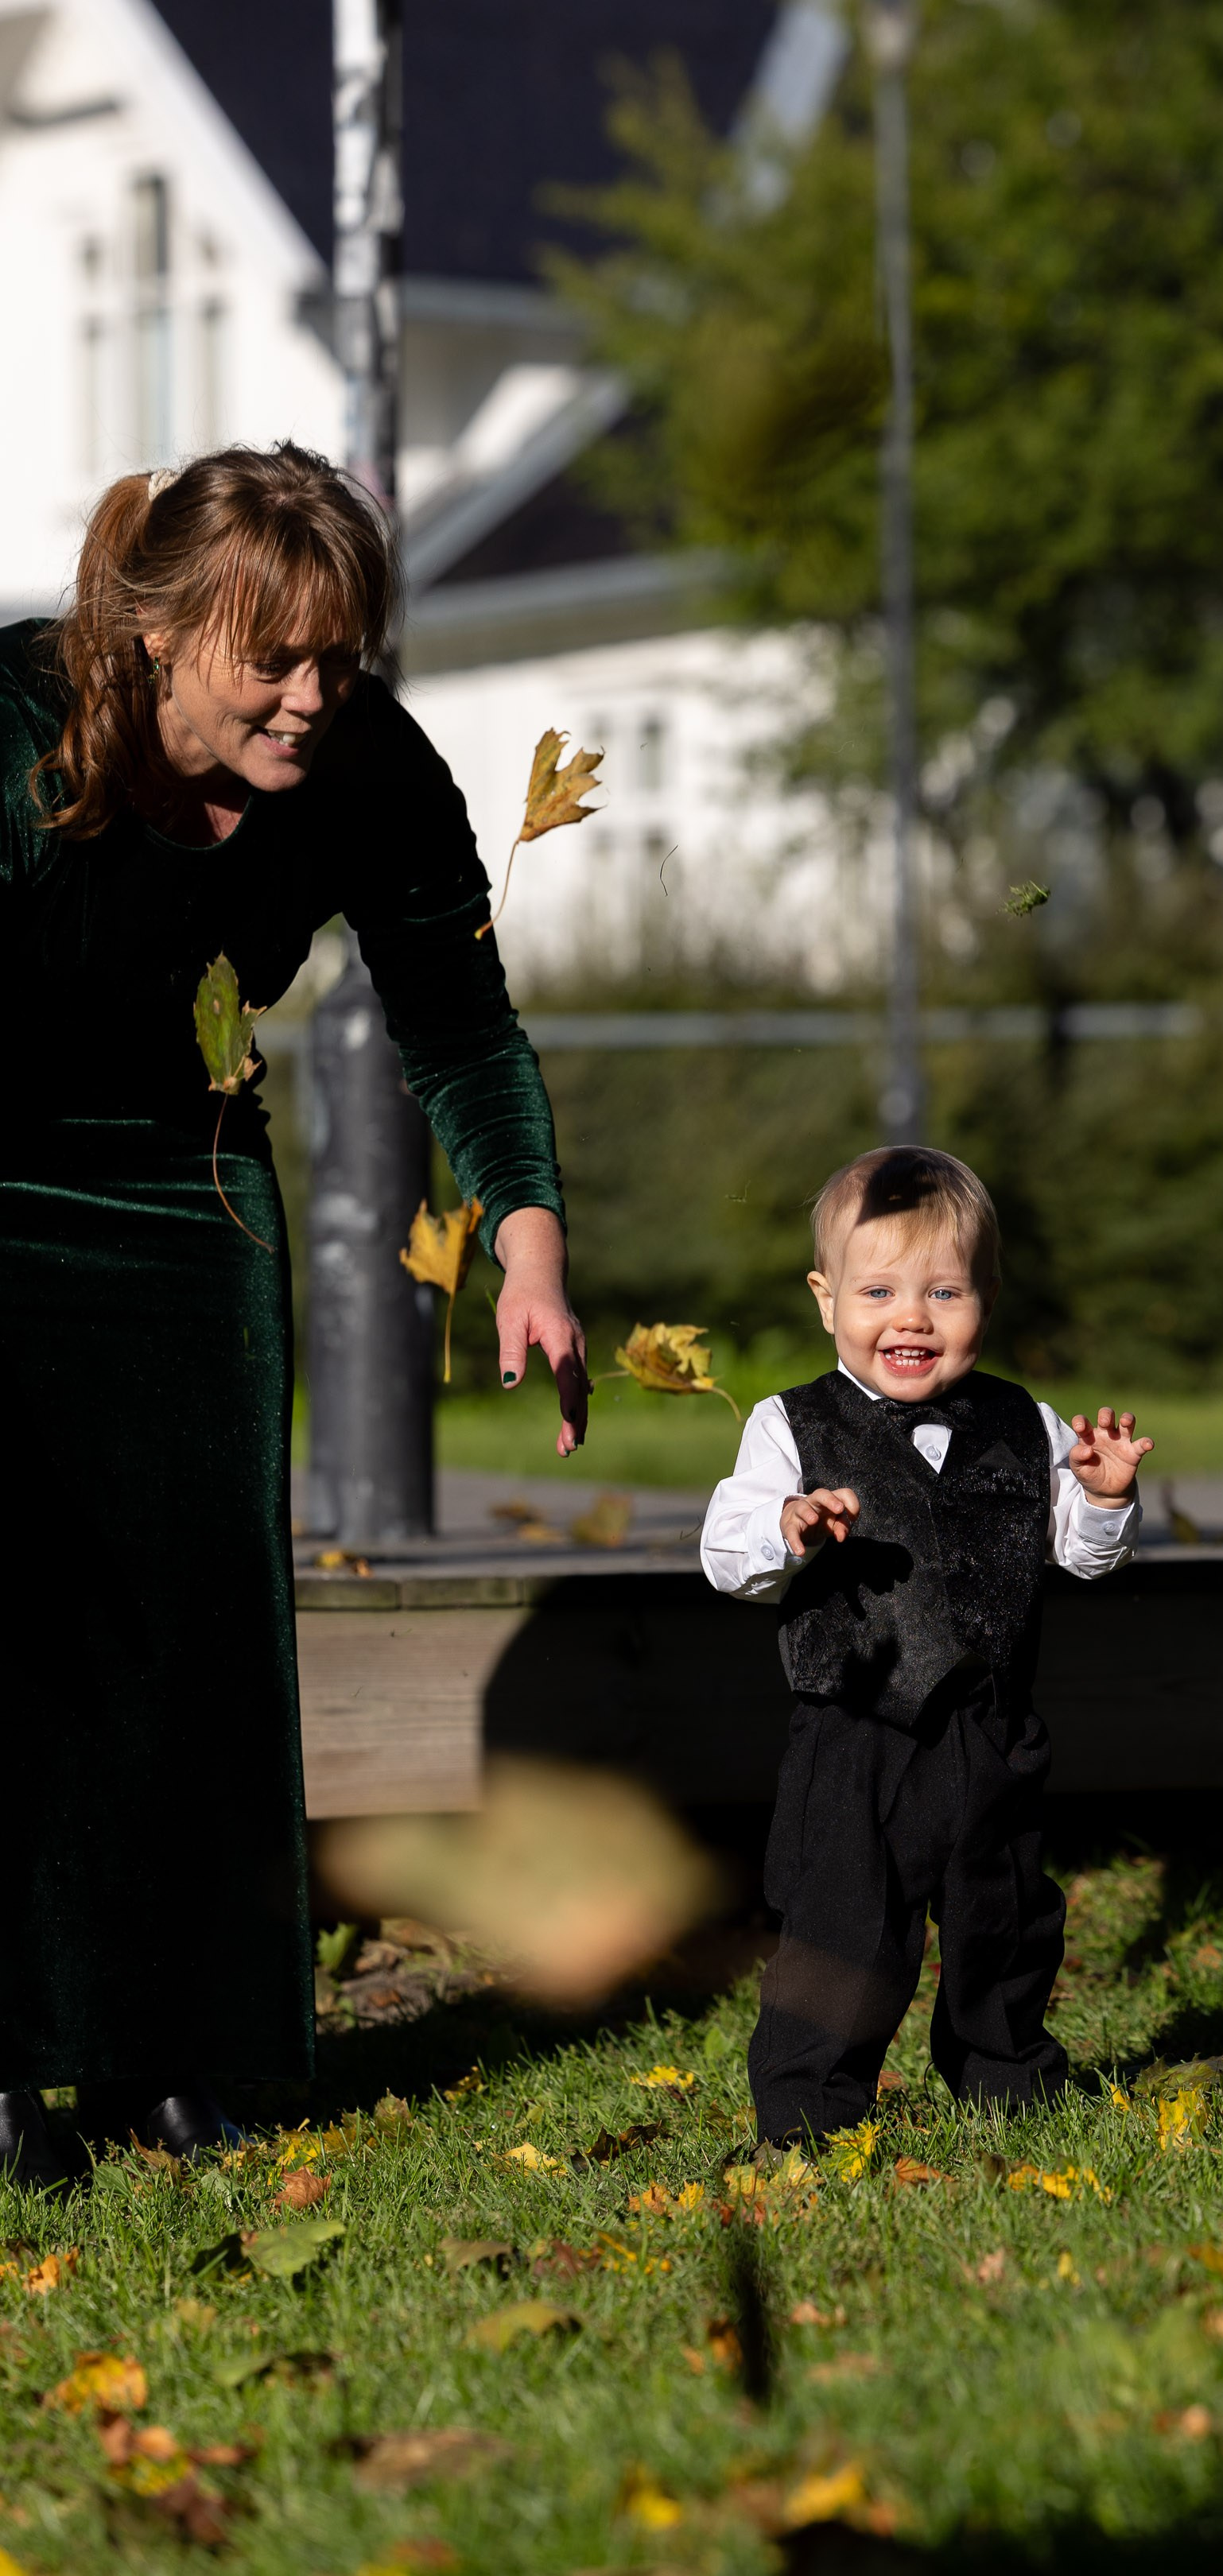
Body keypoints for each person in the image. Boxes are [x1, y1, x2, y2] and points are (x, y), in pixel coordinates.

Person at [0, 444, 586, 2189]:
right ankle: (16, 2064)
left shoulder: (366, 764)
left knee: (206, 1630)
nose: (313, 697)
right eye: (272, 660)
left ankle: (187, 2051)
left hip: (184, 1194)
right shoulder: (14, 728)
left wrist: (532, 1245)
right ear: (163, 633)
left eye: (340, 656)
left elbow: (461, 1022)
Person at [701, 1144, 1150, 2147]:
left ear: (987, 1297)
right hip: (858, 1733)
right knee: (842, 1926)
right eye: (880, 1290)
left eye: (945, 1291)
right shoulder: (790, 1426)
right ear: (826, 1301)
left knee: (1007, 1917)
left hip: (990, 1725)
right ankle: (809, 2105)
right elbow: (726, 1554)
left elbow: (1078, 1557)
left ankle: (1007, 2074)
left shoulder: (1022, 1424)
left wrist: (1107, 1497)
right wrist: (786, 1526)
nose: (912, 1317)